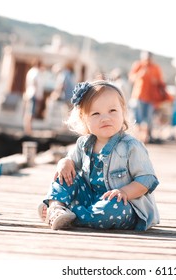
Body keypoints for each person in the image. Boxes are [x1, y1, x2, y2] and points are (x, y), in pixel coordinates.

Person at [37, 80, 160, 231]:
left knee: (112, 208)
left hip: (124, 205)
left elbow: (146, 180)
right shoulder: (83, 143)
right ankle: (56, 206)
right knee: (65, 175)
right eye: (95, 113)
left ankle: (71, 215)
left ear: (123, 111)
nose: (105, 118)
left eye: (112, 111)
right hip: (89, 199)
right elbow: (70, 164)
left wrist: (124, 192)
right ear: (84, 119)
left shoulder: (131, 146)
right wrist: (64, 162)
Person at [128, 51, 166, 143]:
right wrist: (139, 75)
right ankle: (137, 137)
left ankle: (145, 138)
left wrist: (155, 81)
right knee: (138, 118)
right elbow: (131, 78)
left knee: (148, 119)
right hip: (138, 96)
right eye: (145, 59)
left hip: (151, 98)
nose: (147, 61)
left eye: (149, 59)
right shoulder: (138, 65)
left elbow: (161, 82)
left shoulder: (155, 68)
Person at [23, 60, 44, 135]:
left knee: (28, 111)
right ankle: (29, 129)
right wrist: (38, 95)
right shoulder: (36, 72)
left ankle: (27, 128)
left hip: (29, 93)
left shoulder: (30, 72)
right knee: (31, 112)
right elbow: (36, 84)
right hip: (34, 94)